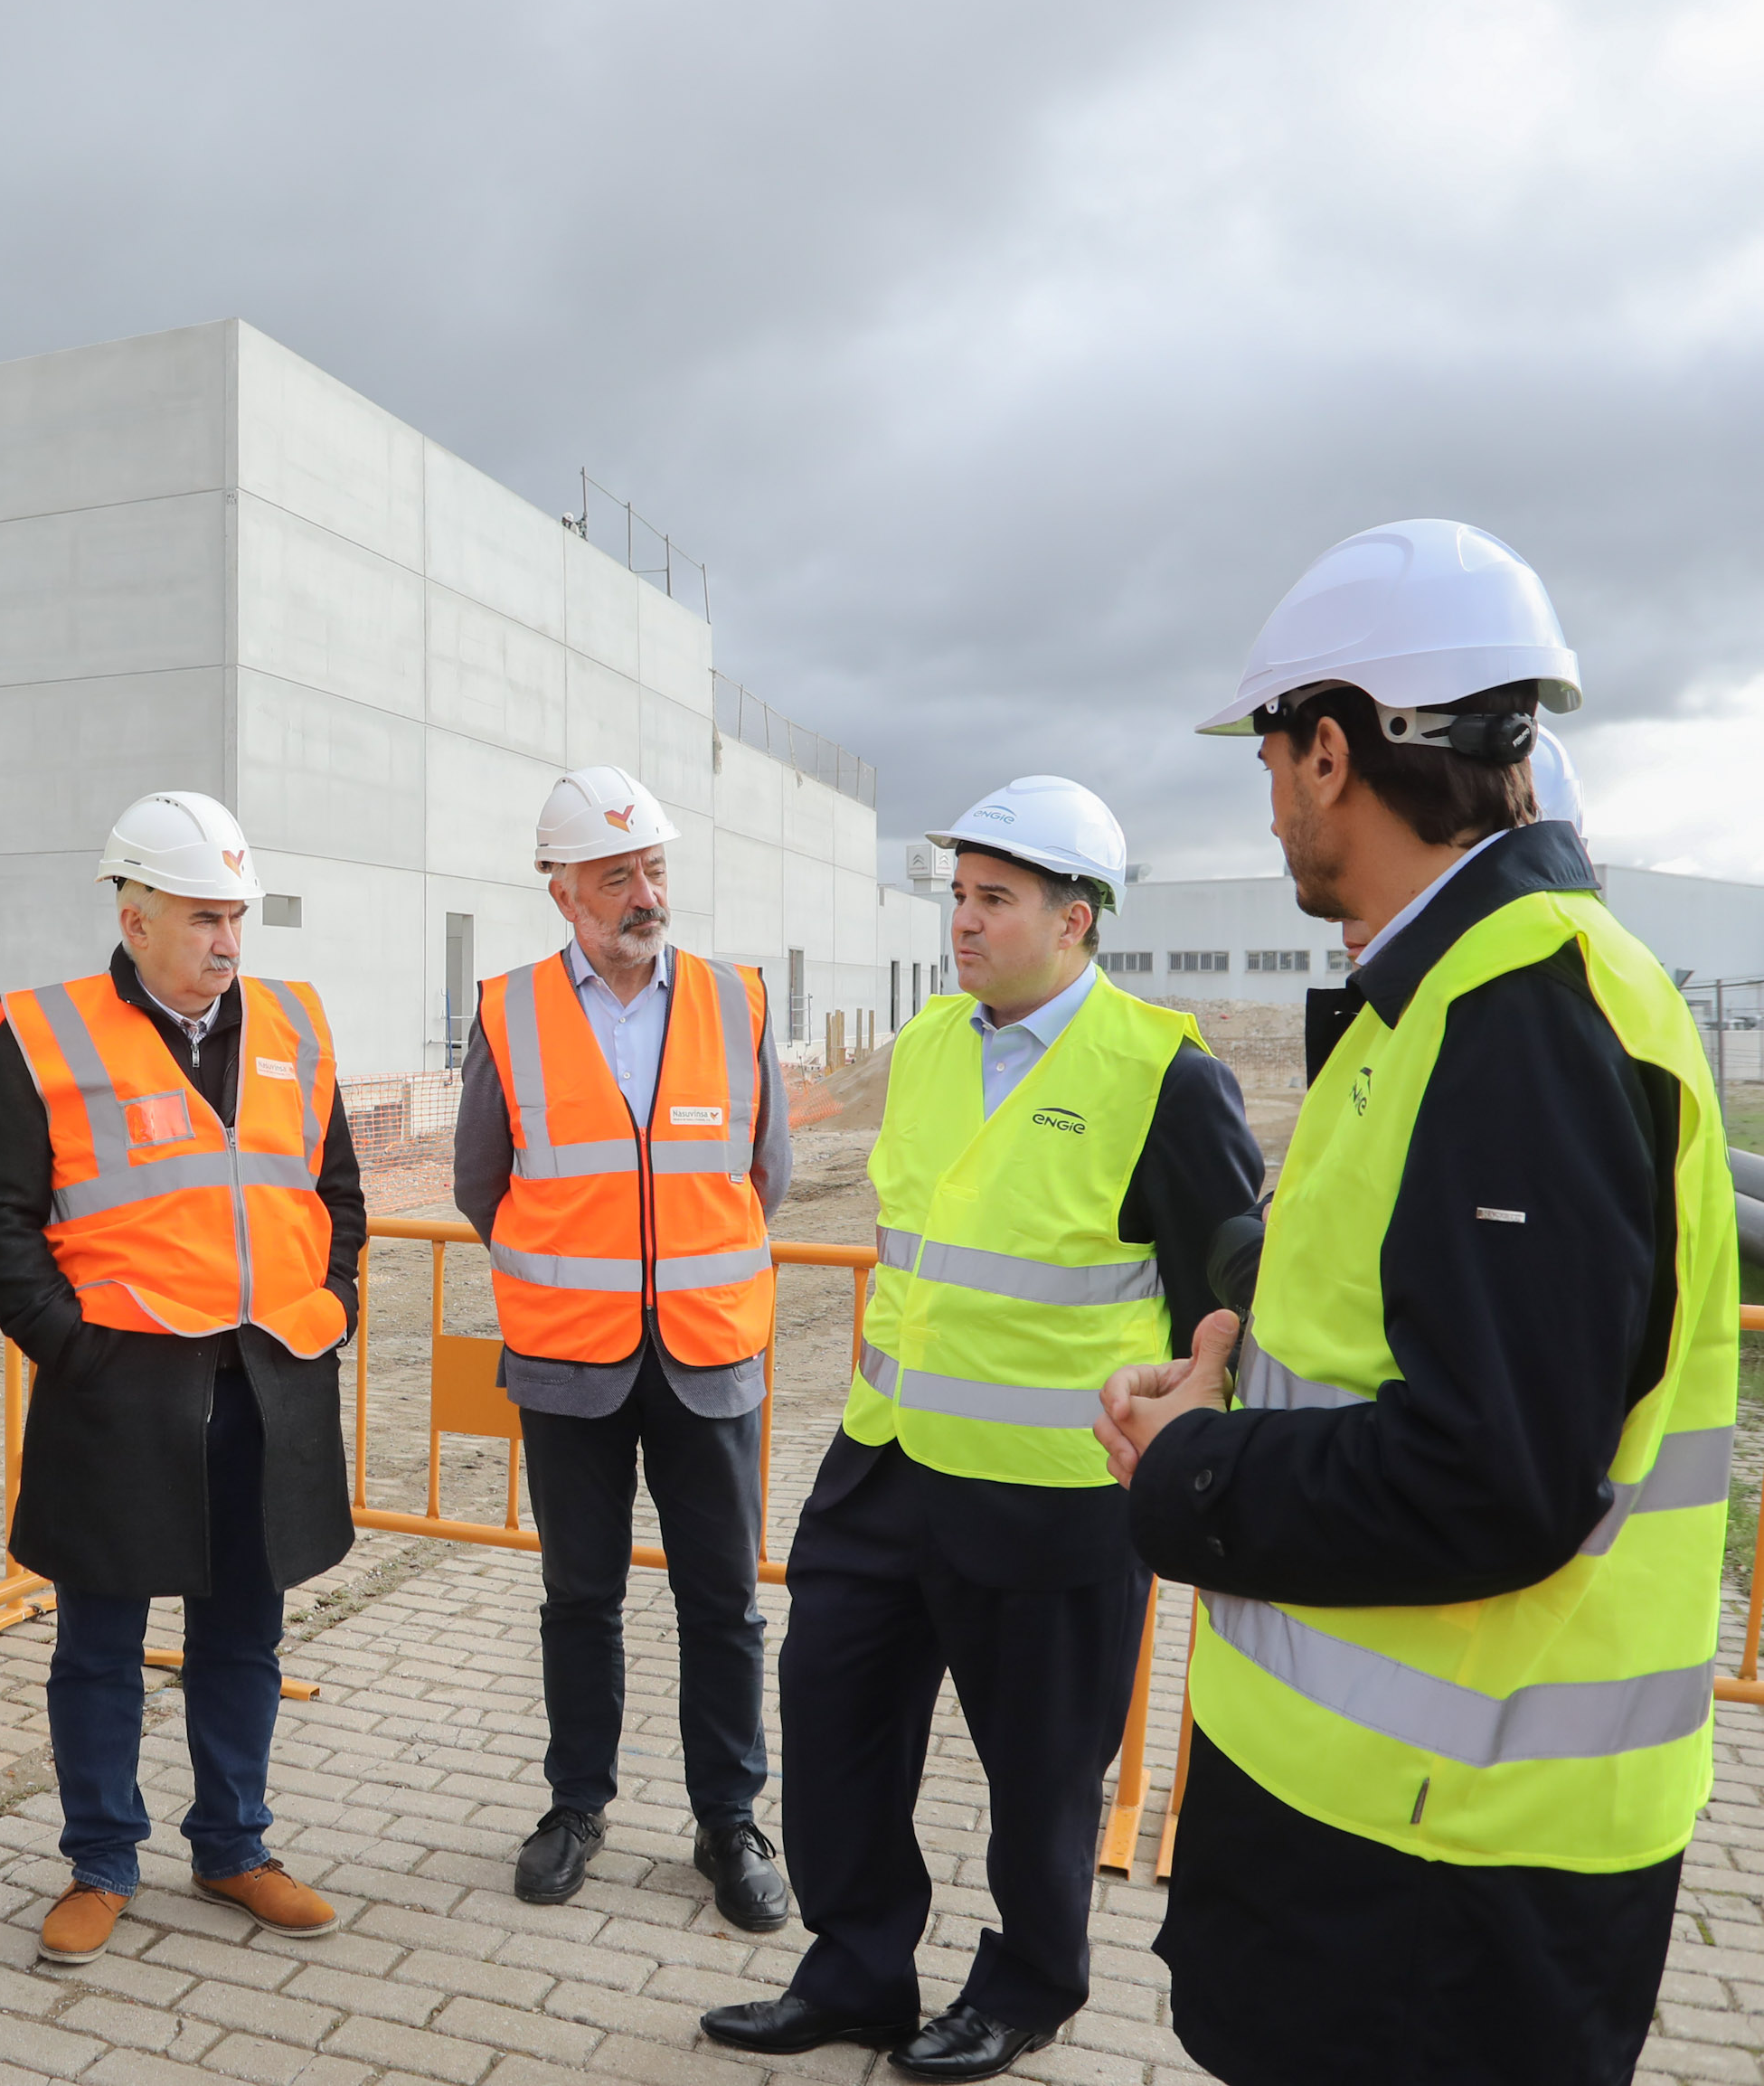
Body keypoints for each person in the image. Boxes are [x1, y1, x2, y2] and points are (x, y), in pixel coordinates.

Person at [1098, 520, 1734, 2086]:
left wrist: (1188, 1476)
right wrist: (1237, 1360)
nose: (1267, 796)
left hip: (1454, 1872)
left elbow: (1489, 1472)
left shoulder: (1524, 1014)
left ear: (1330, 749)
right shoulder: (1440, 991)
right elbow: (1409, 1328)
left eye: (1268, 753)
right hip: (1385, 1835)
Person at [707, 774, 1260, 2081]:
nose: (962, 921)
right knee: (832, 1714)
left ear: (1076, 920)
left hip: (1056, 1493)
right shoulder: (937, 1042)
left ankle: (1028, 1986)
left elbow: (1225, 1302)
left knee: (1042, 1773)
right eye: (957, 895)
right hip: (886, 1464)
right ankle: (856, 1971)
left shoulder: (1164, 1076)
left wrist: (1195, 1435)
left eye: (994, 899)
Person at [0, 791, 367, 1968]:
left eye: (236, 917)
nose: (228, 943)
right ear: (132, 916)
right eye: (202, 918)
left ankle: (235, 1842)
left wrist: (333, 1299)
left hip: (267, 1384)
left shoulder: (295, 1023)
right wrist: (75, 1349)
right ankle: (100, 1859)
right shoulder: (46, 1032)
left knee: (244, 1631)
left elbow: (334, 1189)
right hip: (121, 1392)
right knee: (99, 1640)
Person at [448, 766, 794, 1926]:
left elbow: (768, 1178)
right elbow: (479, 1184)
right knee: (578, 1598)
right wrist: (581, 1269)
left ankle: (728, 1821)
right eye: (615, 877)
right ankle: (574, 1806)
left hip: (708, 1354)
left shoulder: (736, 999)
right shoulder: (508, 1011)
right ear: (563, 894)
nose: (643, 893)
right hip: (567, 1360)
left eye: (652, 869)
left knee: (724, 1604)